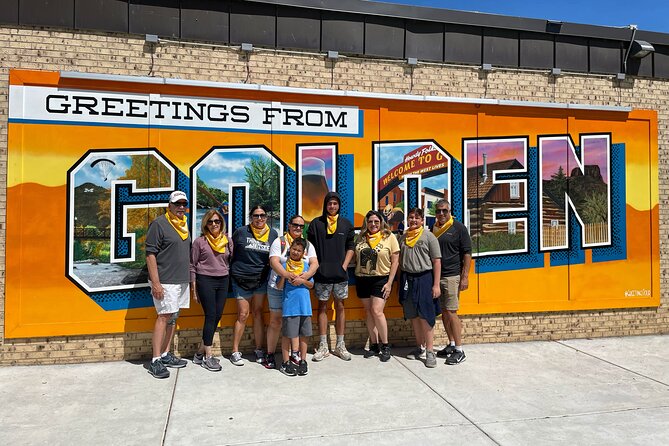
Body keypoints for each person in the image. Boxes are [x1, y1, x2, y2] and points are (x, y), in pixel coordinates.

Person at [145, 191, 192, 379]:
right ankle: (155, 359)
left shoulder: (184, 225)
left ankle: (165, 354)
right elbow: (150, 254)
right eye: (177, 204)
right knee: (163, 317)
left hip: (181, 280)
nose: (181, 207)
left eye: (183, 204)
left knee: (173, 317)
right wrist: (156, 283)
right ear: (169, 206)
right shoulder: (159, 224)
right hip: (165, 281)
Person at [306, 191, 355, 361]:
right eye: (329, 203)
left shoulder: (346, 224)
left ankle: (340, 345)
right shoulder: (316, 224)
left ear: (339, 205)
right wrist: (315, 267)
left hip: (340, 275)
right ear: (325, 205)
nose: (332, 206)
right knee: (322, 308)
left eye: (335, 203)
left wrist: (344, 265)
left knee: (340, 307)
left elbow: (351, 246)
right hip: (322, 275)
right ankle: (323, 345)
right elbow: (309, 248)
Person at [265, 215, 318, 369]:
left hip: (298, 290)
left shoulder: (307, 245)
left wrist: (306, 276)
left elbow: (314, 263)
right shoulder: (280, 242)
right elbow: (274, 261)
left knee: (295, 323)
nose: (298, 228)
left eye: (301, 226)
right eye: (295, 225)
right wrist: (286, 274)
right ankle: (270, 354)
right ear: (289, 225)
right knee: (276, 322)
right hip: (278, 287)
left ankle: (294, 355)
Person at [229, 205, 278, 366]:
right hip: (241, 279)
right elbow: (230, 252)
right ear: (251, 217)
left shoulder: (273, 234)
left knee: (258, 313)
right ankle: (235, 351)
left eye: (262, 215)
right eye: (256, 216)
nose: (259, 219)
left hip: (260, 280)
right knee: (243, 314)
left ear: (267, 217)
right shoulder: (241, 232)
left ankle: (259, 349)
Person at [190, 209, 233, 372]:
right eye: (210, 221)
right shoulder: (199, 242)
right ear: (205, 224)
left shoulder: (228, 240)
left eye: (217, 221)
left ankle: (199, 352)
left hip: (223, 280)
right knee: (210, 315)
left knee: (218, 315)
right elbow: (192, 265)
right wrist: (193, 288)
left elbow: (230, 260)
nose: (214, 224)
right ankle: (208, 356)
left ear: (221, 223)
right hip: (205, 280)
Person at [398, 207, 442, 368]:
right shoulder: (402, 238)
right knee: (413, 315)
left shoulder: (429, 237)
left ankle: (430, 351)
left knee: (425, 316)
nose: (413, 220)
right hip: (407, 279)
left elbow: (437, 261)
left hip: (424, 278)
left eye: (417, 218)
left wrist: (436, 284)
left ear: (422, 220)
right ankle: (419, 347)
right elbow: (399, 262)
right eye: (411, 217)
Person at [354, 210, 399, 362]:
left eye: (376, 222)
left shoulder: (389, 237)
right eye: (370, 221)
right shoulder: (360, 237)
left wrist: (390, 283)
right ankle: (374, 345)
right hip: (362, 278)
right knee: (368, 312)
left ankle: (385, 345)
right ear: (366, 223)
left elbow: (395, 261)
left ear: (381, 223)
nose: (373, 224)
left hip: (381, 278)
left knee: (377, 311)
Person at [432, 199, 471, 365]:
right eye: (439, 211)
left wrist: (465, 276)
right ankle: (452, 344)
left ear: (449, 211)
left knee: (452, 312)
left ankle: (460, 350)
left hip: (452, 277)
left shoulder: (459, 228)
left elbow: (467, 253)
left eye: (444, 211)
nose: (441, 214)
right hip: (437, 277)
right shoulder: (433, 229)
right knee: (444, 312)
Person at [275, 238, 314, 376]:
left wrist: (302, 280)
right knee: (287, 335)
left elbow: (311, 285)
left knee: (304, 335)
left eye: (299, 250)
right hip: (290, 307)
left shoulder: (306, 267)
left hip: (305, 307)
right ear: (290, 249)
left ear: (303, 253)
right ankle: (286, 362)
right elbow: (279, 287)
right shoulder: (284, 266)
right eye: (294, 249)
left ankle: (303, 361)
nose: (296, 252)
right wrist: (285, 276)